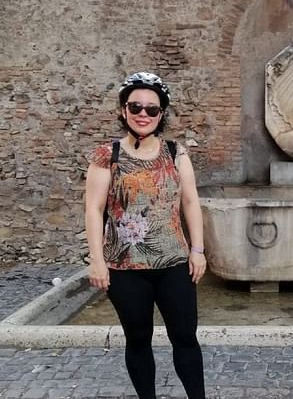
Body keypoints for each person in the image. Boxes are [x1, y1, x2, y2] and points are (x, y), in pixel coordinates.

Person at [85, 72, 207, 399]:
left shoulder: (175, 152)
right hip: (125, 269)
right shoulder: (106, 156)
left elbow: (191, 201)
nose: (143, 114)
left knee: (185, 337)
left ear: (161, 114)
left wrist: (198, 250)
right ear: (124, 111)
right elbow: (94, 211)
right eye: (135, 106)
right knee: (138, 340)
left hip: (174, 264)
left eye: (152, 109)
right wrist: (96, 261)